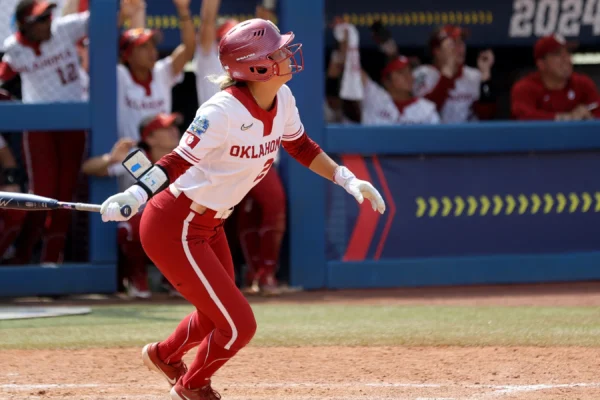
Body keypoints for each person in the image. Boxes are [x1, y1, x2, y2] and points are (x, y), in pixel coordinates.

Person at [100, 18, 386, 400]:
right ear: (255, 66)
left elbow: (300, 146)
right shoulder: (221, 111)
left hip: (209, 226)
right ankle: (192, 386)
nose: (286, 55)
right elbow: (176, 160)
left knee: (216, 314)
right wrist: (135, 196)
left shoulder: (282, 99)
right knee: (238, 325)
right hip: (176, 224)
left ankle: (165, 356)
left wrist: (347, 179)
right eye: (277, 52)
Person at [0, 0, 88, 264]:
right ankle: (23, 258)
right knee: (41, 193)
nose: (48, 21)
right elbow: (3, 74)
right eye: (40, 19)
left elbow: (104, 22)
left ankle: (51, 260)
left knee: (65, 195)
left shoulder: (64, 28)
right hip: (40, 127)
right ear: (25, 26)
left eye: (48, 16)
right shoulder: (14, 48)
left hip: (74, 123)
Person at [82, 113, 182, 298]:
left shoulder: (184, 155)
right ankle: (137, 278)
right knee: (130, 228)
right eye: (166, 128)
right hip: (139, 219)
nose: (174, 131)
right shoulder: (137, 159)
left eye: (173, 127)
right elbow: (88, 167)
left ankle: (175, 279)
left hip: (173, 221)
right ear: (149, 138)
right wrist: (111, 158)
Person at [117, 0, 194, 141]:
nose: (152, 51)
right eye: (143, 47)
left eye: (152, 46)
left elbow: (188, 50)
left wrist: (183, 10)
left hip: (161, 152)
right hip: (132, 156)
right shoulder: (119, 76)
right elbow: (100, 50)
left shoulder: (161, 72)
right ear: (127, 56)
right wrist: (121, 17)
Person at [412, 24, 496, 123]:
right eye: (453, 43)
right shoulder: (422, 75)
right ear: (437, 51)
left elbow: (487, 115)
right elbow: (423, 114)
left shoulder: (474, 75)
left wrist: (485, 75)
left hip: (469, 135)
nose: (460, 48)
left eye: (461, 43)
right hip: (436, 135)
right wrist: (447, 75)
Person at [511, 34, 600, 120]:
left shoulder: (582, 83)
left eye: (568, 52)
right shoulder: (526, 87)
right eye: (557, 54)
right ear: (541, 64)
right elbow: (522, 116)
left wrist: (589, 117)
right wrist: (564, 118)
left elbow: (597, 111)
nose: (566, 59)